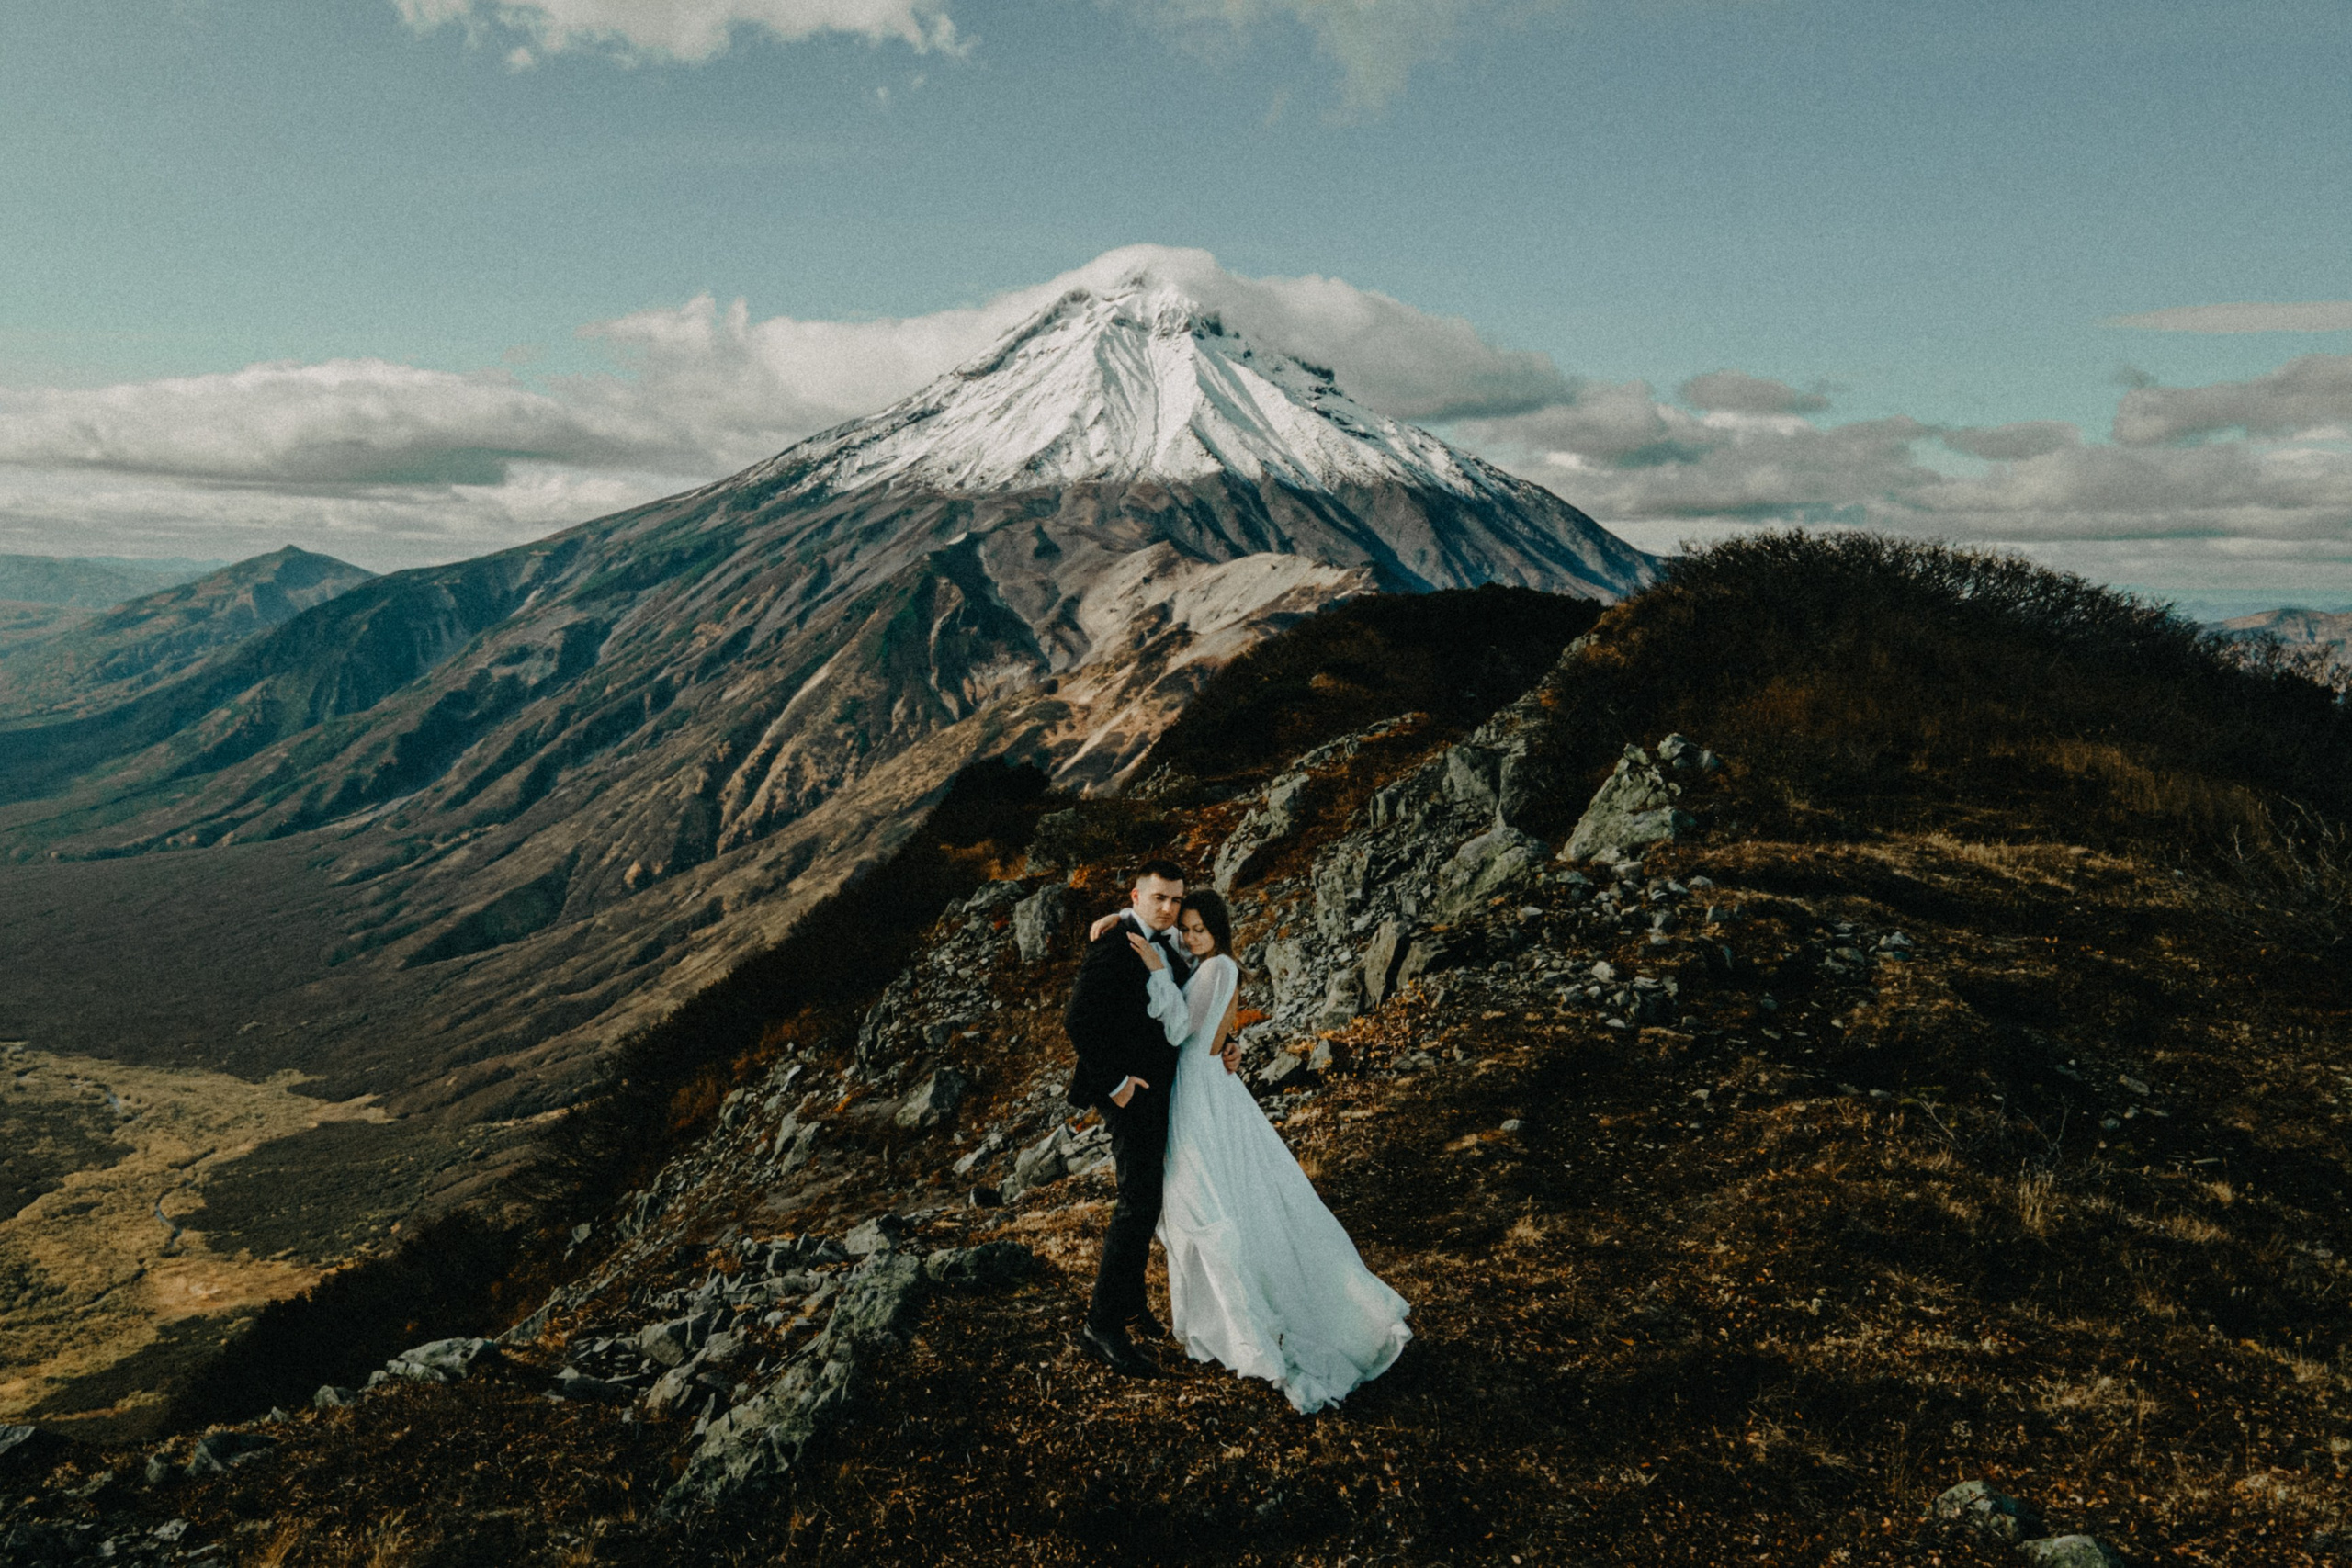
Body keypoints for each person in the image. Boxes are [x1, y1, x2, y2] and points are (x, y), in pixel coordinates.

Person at [1086, 888, 1412, 1412]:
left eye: (1198, 930)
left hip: (1196, 1088)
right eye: (1184, 928)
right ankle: (1170, 1308)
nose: (1188, 938)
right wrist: (1119, 916)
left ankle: (1234, 1323)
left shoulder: (1215, 968)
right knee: (1204, 1196)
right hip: (1207, 1081)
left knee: (1200, 1198)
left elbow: (1178, 1028)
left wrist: (1155, 971)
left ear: (1217, 931)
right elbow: (1172, 945)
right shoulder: (1212, 960)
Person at [1063, 859, 1196, 1377]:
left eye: (1176, 899)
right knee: (1137, 1202)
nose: (1168, 908)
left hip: (1155, 1088)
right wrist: (1116, 1085)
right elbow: (1078, 1020)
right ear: (1136, 897)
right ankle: (1102, 1325)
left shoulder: (1161, 940)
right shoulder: (1115, 945)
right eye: (1158, 898)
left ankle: (1133, 1303)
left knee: (1148, 1196)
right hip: (1128, 1093)